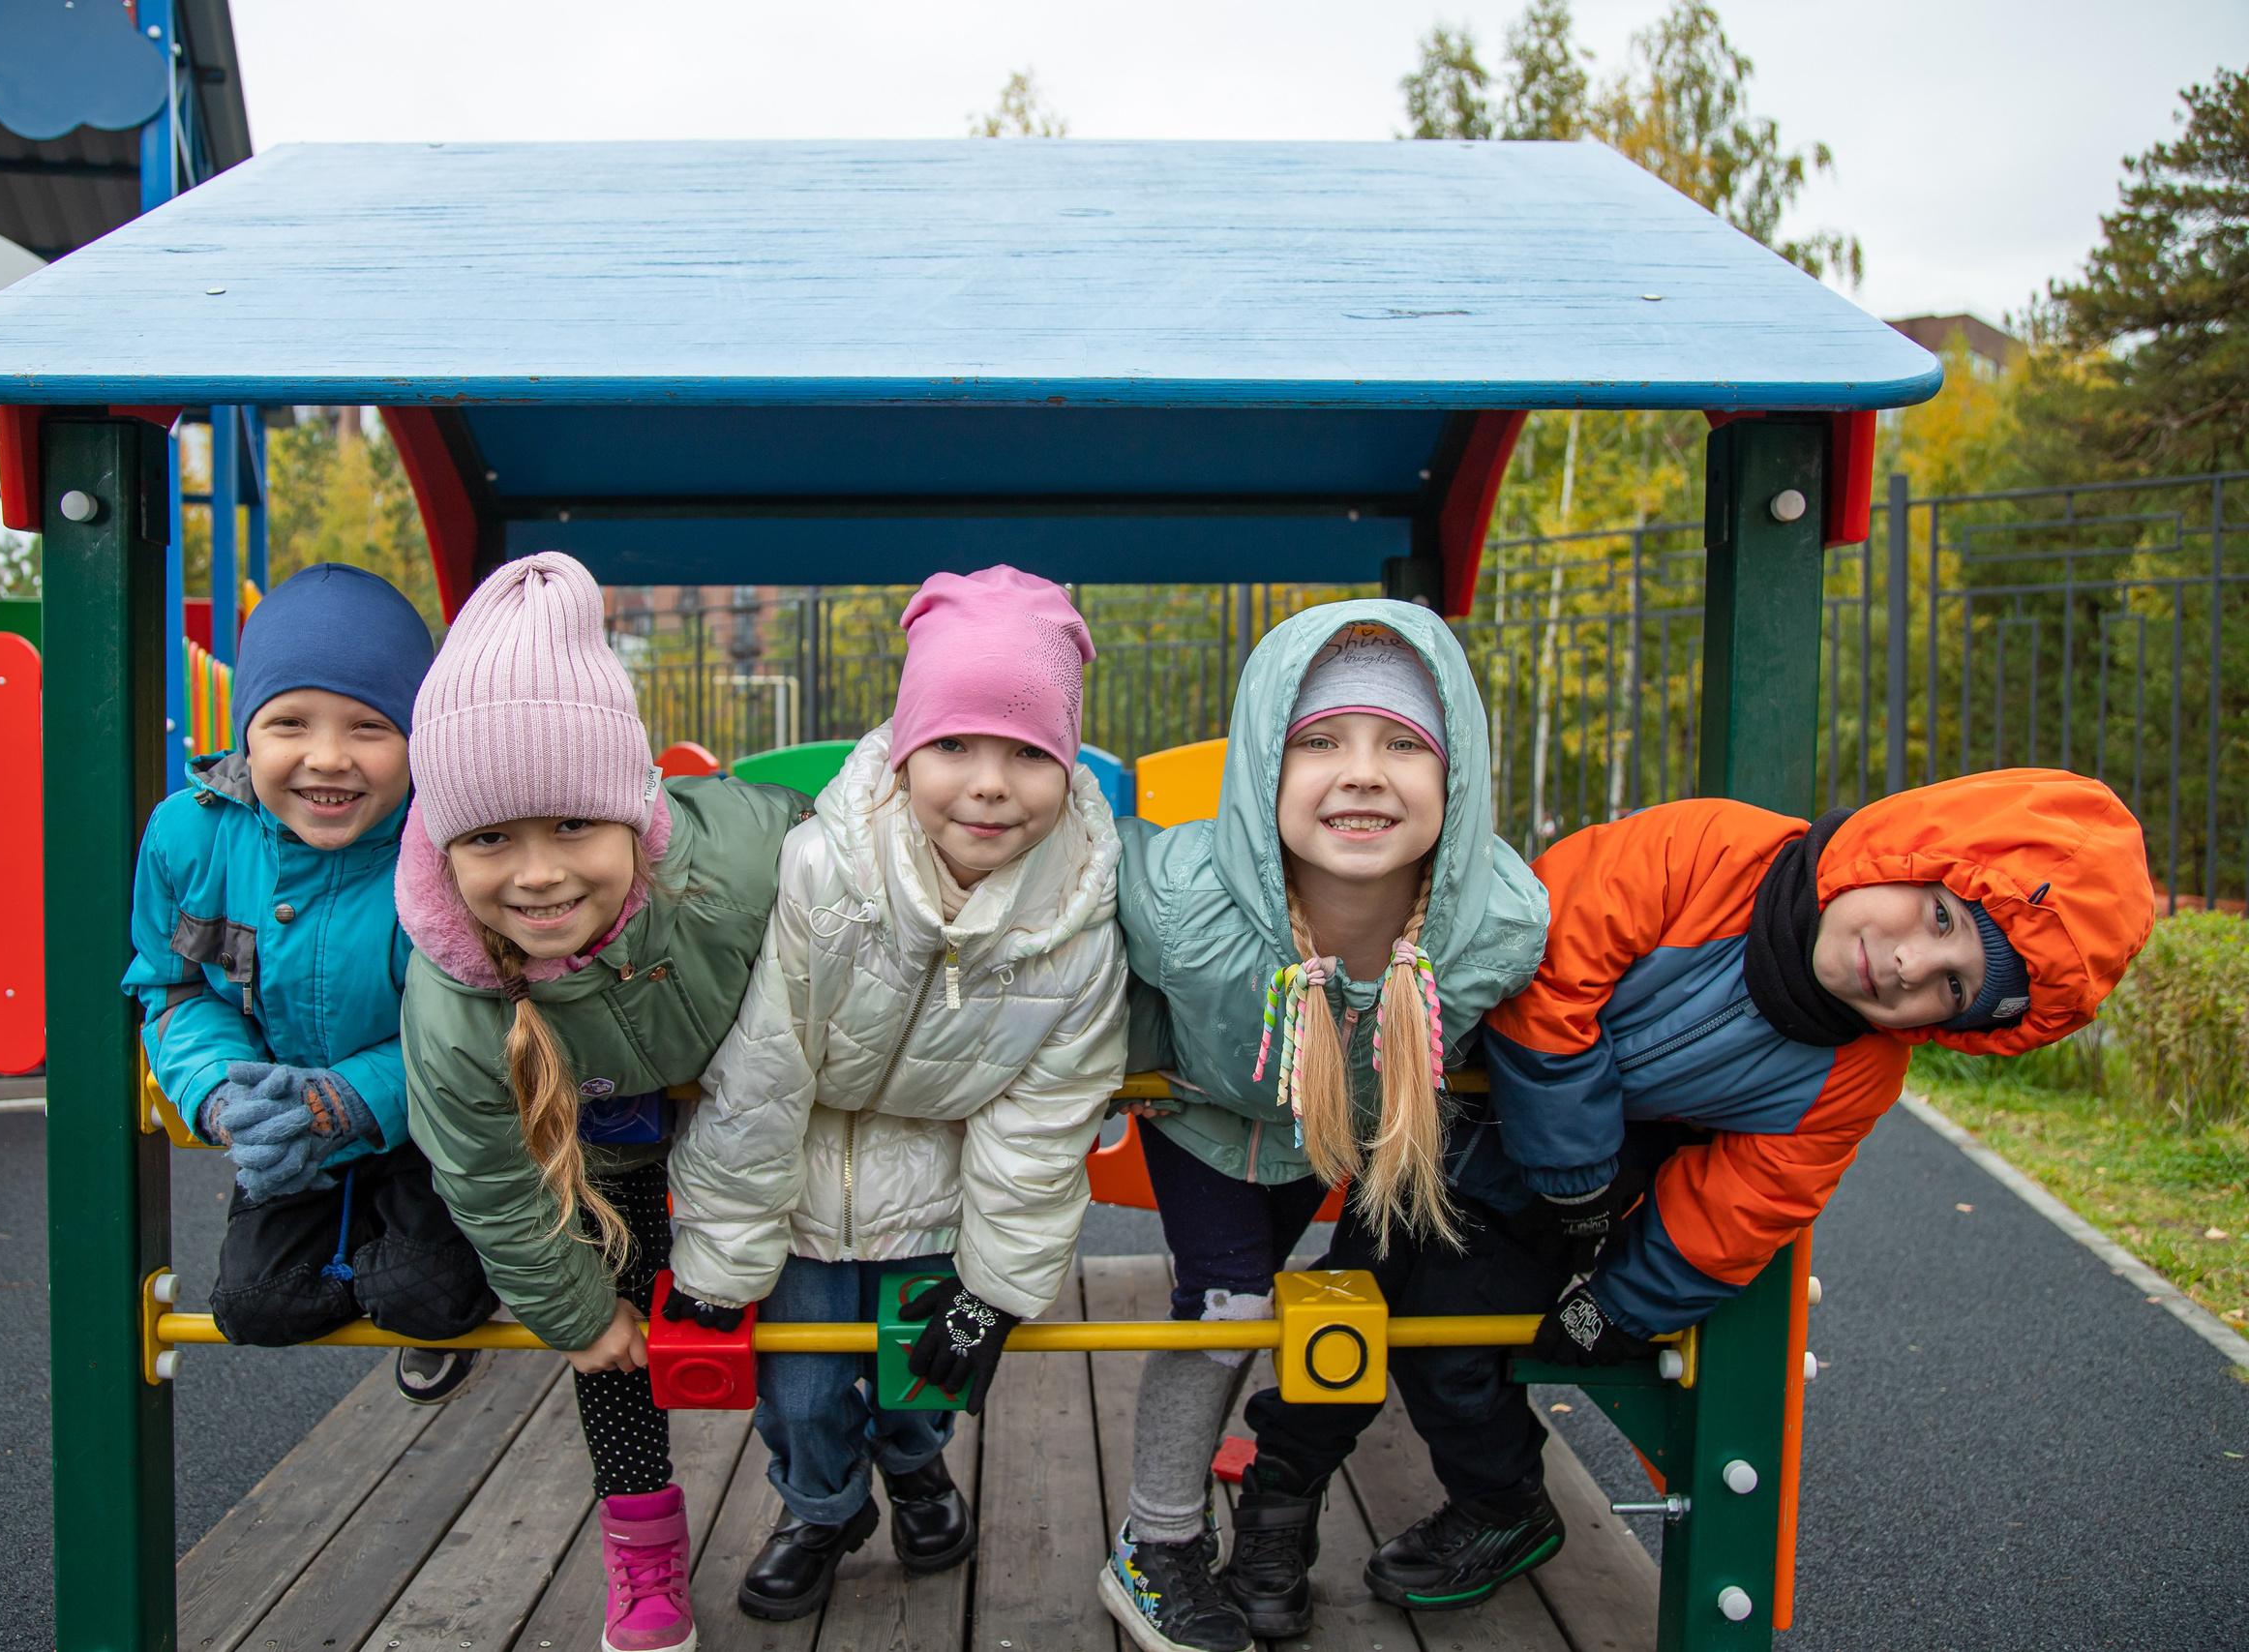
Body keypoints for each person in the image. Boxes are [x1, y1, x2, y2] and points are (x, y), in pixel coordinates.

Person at [1229, 767, 2155, 1625]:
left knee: (1457, 1348)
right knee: (1350, 1301)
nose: (1912, 965)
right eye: (1942, 920)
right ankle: (1280, 1507)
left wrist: (1623, 1302)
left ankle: (1500, 1502)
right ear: (1905, 853)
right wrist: (1577, 1175)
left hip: (1574, 1188)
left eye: (1953, 989)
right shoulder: (1714, 853)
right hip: (1470, 1110)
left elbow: (1750, 1202)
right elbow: (1551, 962)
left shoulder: (1851, 1075)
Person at [665, 565, 1129, 1623]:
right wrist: (721, 1256)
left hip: (941, 1186)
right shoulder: (825, 871)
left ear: (1064, 762)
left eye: (1027, 752)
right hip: (798, 1191)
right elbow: (763, 1071)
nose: (989, 782)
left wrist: (997, 1285)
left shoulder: (1073, 920)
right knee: (803, 1392)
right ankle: (821, 1508)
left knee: (929, 1372)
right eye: (955, 744)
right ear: (907, 747)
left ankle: (918, 1468)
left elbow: (1046, 1114)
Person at [1096, 605, 1548, 1652]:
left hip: (1357, 1132)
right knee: (1227, 1305)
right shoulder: (1173, 897)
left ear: (1458, 774)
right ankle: (1156, 1545)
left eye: (1403, 744)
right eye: (1319, 742)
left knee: (1381, 1294)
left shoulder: (1498, 923)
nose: (1361, 773)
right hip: (1204, 1118)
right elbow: (1092, 997)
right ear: (1265, 766)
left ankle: (1285, 1495)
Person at [397, 552, 813, 1652]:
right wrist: (578, 1313)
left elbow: (851, 855)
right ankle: (644, 1560)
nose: (536, 875)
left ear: (635, 815)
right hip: (604, 1165)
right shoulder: (455, 989)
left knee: (814, 1325)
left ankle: (852, 1489)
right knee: (619, 1360)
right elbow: (485, 1172)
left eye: (572, 827)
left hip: (755, 1129)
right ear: (446, 846)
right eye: (490, 839)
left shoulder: (729, 860)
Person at [123, 563, 496, 1403]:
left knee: (423, 1294)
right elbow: (173, 989)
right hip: (285, 1108)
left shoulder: (444, 849)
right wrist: (222, 1093)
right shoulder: (192, 837)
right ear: (245, 733)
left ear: (416, 738)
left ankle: (441, 1291)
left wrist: (353, 1100)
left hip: (432, 1120)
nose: (328, 757)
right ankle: (371, 1254)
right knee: (258, 1304)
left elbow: (482, 1022)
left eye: (369, 726)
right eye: (290, 721)